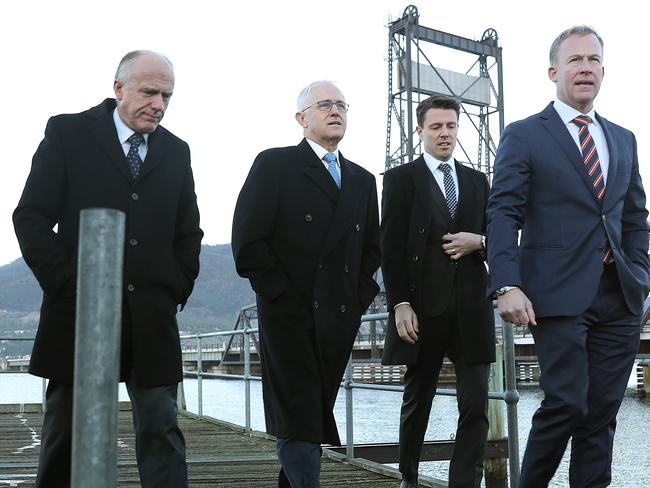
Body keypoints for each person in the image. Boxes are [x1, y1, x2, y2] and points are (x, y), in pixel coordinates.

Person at [13, 50, 203, 488]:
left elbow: (188, 232)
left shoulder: (176, 151)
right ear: (118, 89)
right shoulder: (68, 133)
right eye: (149, 92)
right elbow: (31, 216)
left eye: (167, 96)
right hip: (78, 314)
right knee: (65, 432)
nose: (159, 104)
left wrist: (176, 287)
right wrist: (68, 284)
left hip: (152, 316)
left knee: (162, 431)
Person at [487, 26, 649, 487]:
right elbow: (502, 212)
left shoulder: (623, 139)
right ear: (554, 71)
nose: (585, 68)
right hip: (553, 294)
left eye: (593, 60)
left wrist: (642, 273)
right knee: (566, 403)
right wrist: (506, 283)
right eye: (575, 60)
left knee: (600, 415)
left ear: (603, 71)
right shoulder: (524, 135)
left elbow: (635, 217)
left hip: (620, 295)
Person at [231, 80, 380, 487]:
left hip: (338, 317)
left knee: (310, 416)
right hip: (287, 317)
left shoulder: (363, 180)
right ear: (301, 118)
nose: (336, 111)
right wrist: (280, 295)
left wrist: (359, 297)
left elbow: (372, 248)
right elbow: (248, 243)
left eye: (342, 105)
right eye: (325, 105)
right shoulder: (274, 164)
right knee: (299, 415)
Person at [381, 94, 496, 488]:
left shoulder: (478, 181)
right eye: (436, 126)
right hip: (422, 308)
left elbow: (498, 235)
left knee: (476, 404)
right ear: (420, 130)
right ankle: (408, 479)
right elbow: (390, 247)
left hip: (471, 306)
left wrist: (478, 240)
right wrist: (399, 303)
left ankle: (464, 483)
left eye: (450, 126)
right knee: (418, 401)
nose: (444, 133)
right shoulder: (400, 180)